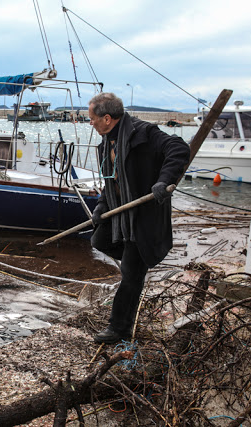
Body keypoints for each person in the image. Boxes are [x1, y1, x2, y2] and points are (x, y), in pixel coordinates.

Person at [88, 92, 190, 345]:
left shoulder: (143, 134)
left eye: (92, 119)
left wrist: (164, 180)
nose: (91, 123)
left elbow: (178, 148)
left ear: (107, 118)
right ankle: (141, 259)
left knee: (130, 276)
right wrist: (102, 204)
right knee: (99, 241)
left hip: (143, 215)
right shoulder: (106, 144)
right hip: (119, 212)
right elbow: (111, 180)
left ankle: (118, 328)